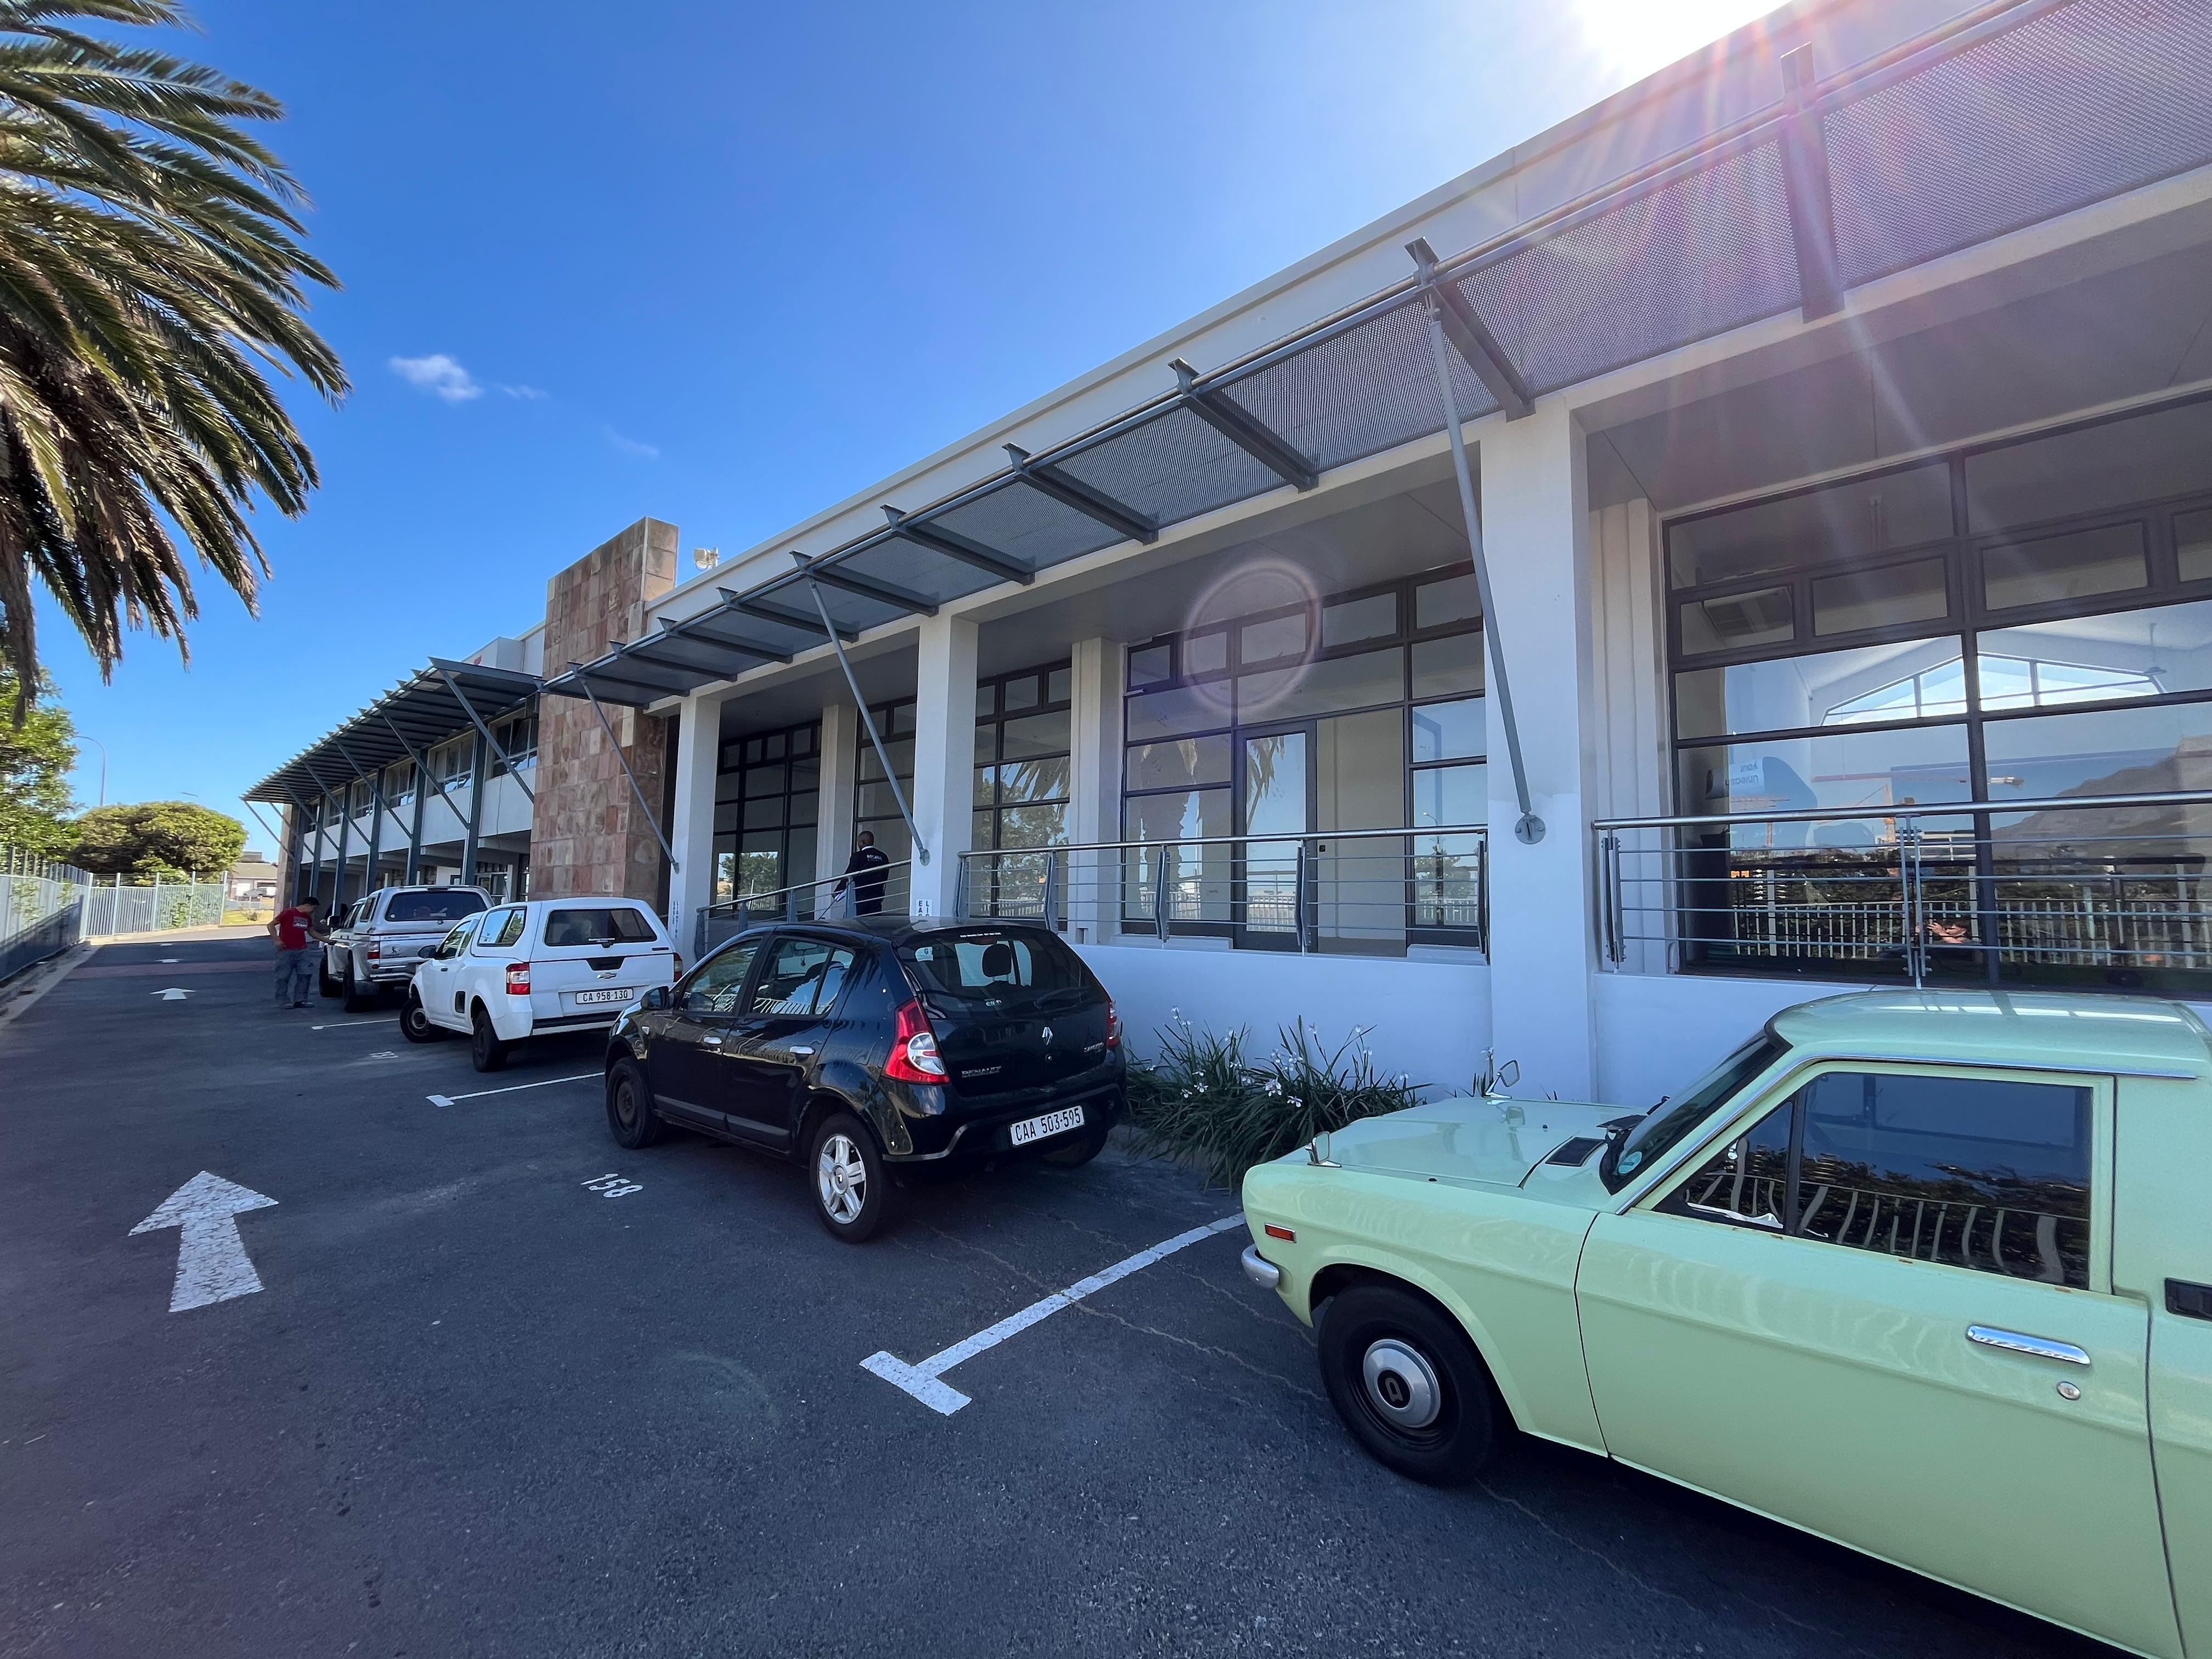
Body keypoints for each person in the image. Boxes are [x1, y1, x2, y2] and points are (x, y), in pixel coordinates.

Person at [268, 894, 329, 1008]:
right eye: (313, 908)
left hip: (302, 950)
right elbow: (271, 925)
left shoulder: (307, 918)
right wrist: (277, 940)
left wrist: (327, 940)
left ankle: (301, 1000)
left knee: (305, 974)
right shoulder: (288, 913)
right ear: (307, 905)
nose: (313, 912)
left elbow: (311, 932)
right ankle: (283, 1001)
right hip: (286, 950)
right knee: (283, 977)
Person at [833, 830, 891, 916]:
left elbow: (849, 874)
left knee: (857, 922)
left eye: (859, 842)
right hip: (876, 898)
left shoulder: (858, 856)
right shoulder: (883, 857)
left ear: (862, 842)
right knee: (873, 922)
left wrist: (838, 892)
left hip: (860, 898)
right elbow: (885, 878)